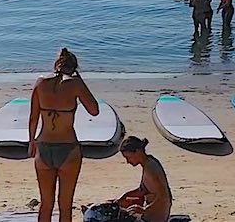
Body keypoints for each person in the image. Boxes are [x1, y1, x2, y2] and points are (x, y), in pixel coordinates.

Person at [29, 48, 98, 222]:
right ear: (74, 68)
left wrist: (31, 142)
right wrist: (79, 81)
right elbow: (94, 110)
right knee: (65, 205)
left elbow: (33, 118)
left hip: (43, 146)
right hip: (68, 148)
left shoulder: (40, 82)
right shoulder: (75, 84)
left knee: (46, 204)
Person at [115, 136, 173, 222]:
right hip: (151, 213)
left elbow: (164, 197)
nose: (128, 161)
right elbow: (142, 191)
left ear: (137, 152)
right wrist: (120, 200)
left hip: (156, 217)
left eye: (128, 157)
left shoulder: (150, 169)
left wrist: (145, 210)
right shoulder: (148, 163)